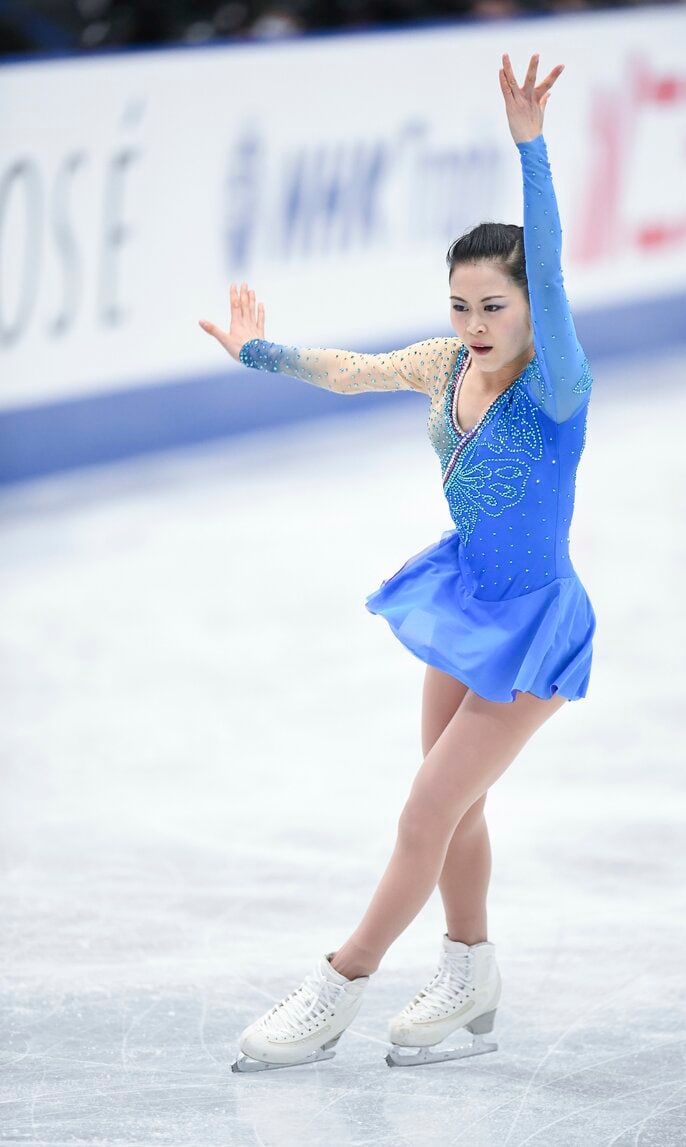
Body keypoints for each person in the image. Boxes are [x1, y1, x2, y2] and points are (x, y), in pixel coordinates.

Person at [199, 50, 595, 1071]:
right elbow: (353, 370)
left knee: (425, 808)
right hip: (467, 598)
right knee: (452, 803)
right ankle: (471, 971)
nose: (473, 327)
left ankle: (338, 985)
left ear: (528, 313)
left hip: (535, 621)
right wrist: (262, 355)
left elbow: (546, 269)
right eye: (461, 307)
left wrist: (531, 148)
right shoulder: (444, 361)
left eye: (493, 309)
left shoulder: (556, 386)